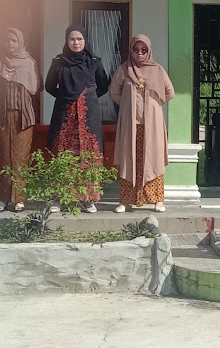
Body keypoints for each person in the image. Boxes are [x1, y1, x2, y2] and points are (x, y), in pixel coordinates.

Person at [45, 25, 108, 214]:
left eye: (79, 39)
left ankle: (88, 199)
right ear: (67, 41)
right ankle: (59, 198)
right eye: (72, 39)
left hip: (88, 114)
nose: (76, 42)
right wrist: (66, 96)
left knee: (87, 154)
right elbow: (49, 86)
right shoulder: (59, 62)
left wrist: (86, 97)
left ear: (85, 40)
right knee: (64, 152)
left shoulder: (94, 62)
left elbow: (103, 85)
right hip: (65, 115)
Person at [110, 35, 174, 213]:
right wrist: (127, 105)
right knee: (129, 159)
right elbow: (114, 92)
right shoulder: (124, 69)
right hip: (131, 125)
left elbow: (170, 92)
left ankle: (157, 200)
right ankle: (125, 201)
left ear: (149, 51)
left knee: (152, 159)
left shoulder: (158, 70)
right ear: (131, 50)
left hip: (151, 125)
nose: (139, 53)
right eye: (136, 50)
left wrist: (155, 105)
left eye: (143, 50)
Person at [0, 27, 42, 212]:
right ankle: (3, 198)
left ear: (20, 42)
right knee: (4, 157)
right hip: (3, 116)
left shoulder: (29, 63)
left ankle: (20, 199)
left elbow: (37, 87)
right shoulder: (1, 61)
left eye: (14, 41)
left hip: (23, 117)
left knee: (20, 158)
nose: (10, 44)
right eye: (7, 40)